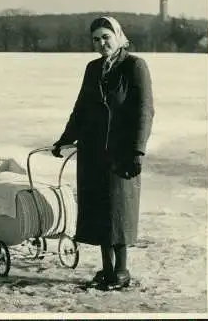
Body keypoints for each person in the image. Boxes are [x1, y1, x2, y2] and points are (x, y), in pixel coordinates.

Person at [52, 16, 155, 290]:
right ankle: (107, 270)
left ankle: (121, 271)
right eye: (96, 39)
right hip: (92, 151)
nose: (101, 43)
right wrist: (65, 138)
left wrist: (137, 151)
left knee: (118, 212)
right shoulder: (93, 68)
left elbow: (144, 111)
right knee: (99, 211)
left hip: (120, 154)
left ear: (118, 36)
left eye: (106, 37)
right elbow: (81, 108)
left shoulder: (135, 66)